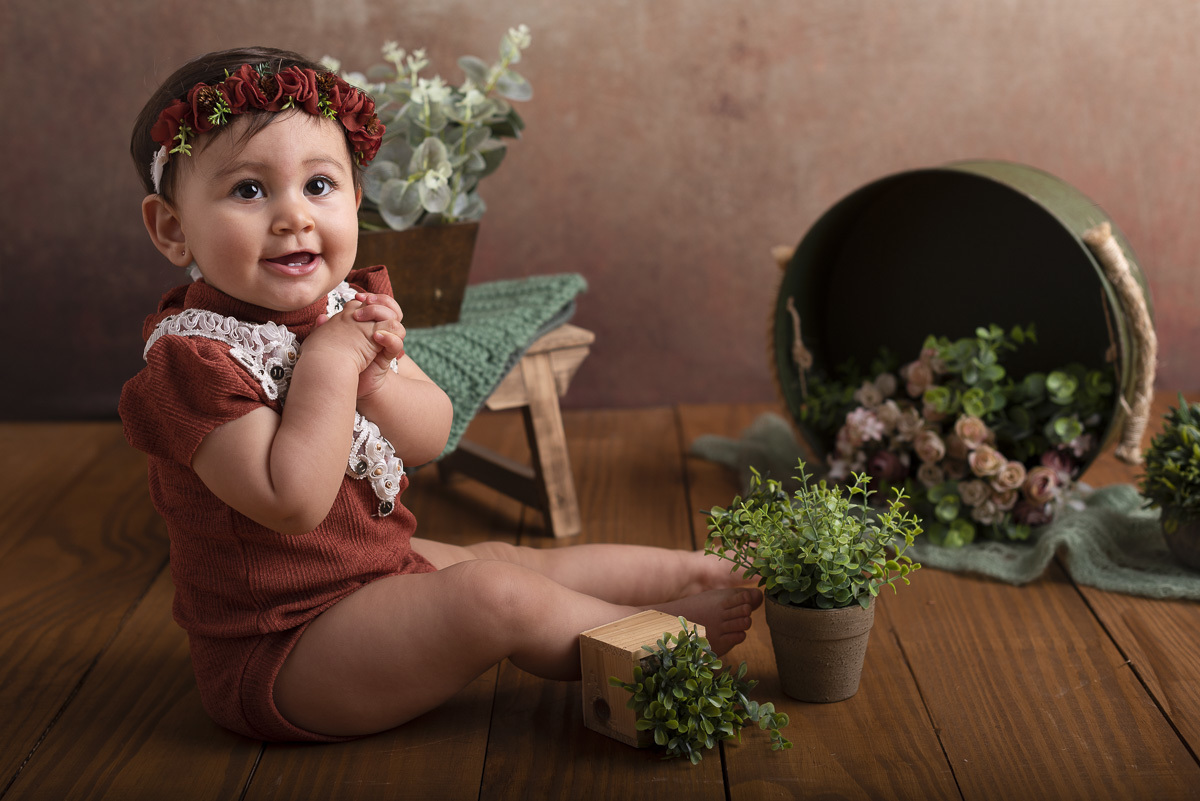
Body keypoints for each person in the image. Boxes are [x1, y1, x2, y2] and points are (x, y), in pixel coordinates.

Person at [120, 46, 761, 743]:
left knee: (507, 559)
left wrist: (376, 378)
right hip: (284, 652)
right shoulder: (193, 361)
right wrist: (334, 365)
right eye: (249, 190)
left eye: (320, 186)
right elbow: (293, 502)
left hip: (379, 573)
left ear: (357, 201)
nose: (292, 217)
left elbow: (430, 434)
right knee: (494, 596)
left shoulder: (349, 304)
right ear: (172, 227)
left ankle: (694, 569)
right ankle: (659, 633)